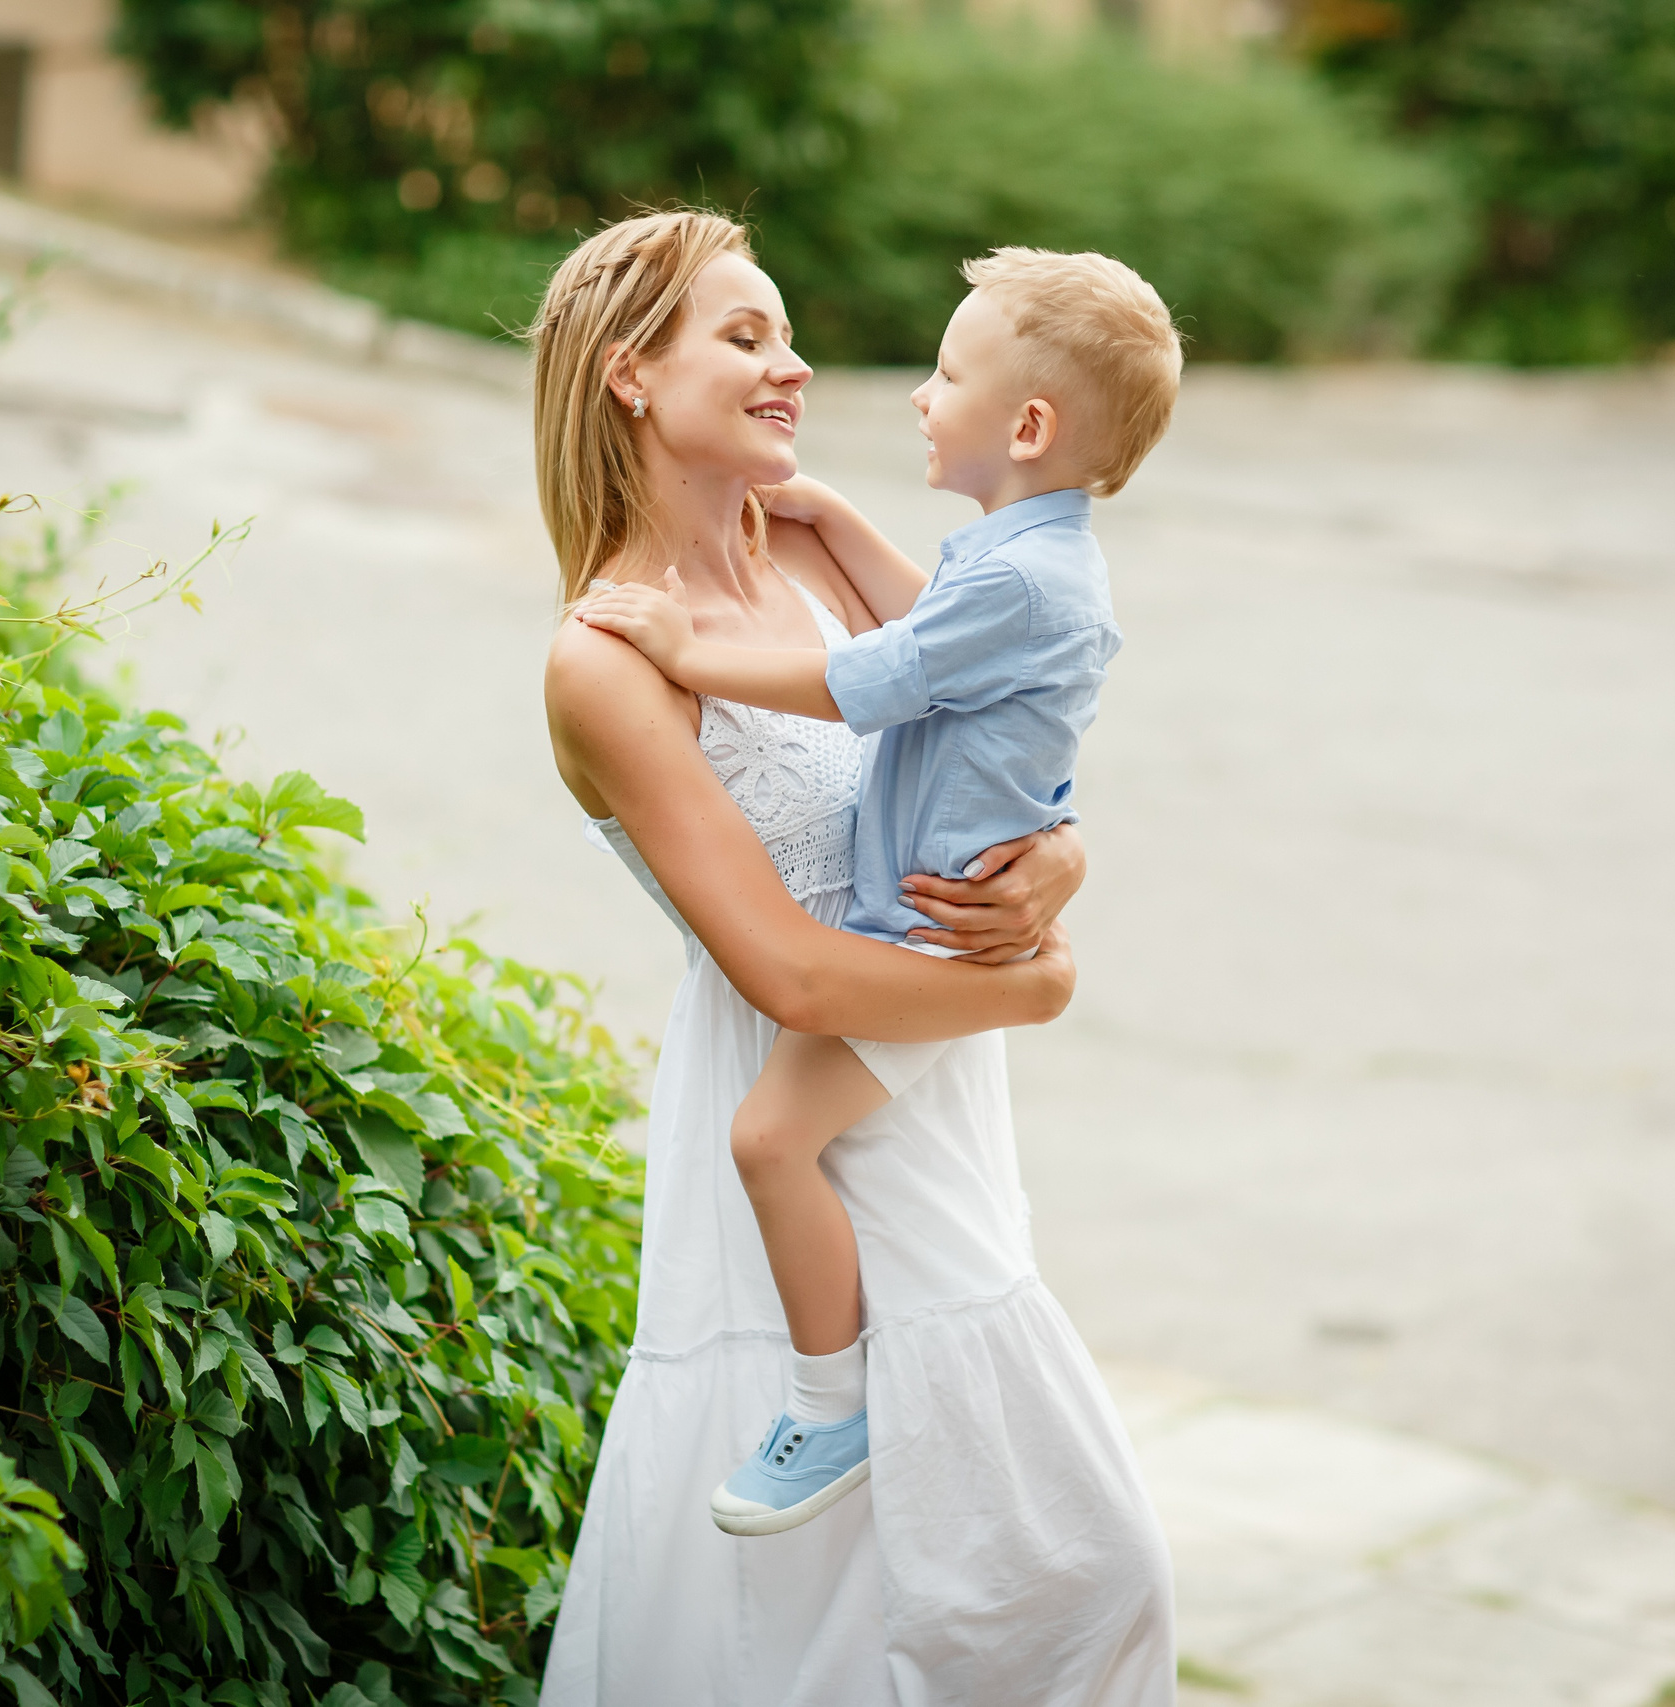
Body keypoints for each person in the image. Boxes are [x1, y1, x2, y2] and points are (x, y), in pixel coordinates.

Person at [535, 209, 1173, 1706]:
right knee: (863, 1615)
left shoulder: (815, 570)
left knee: (1043, 1587)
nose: (798, 368)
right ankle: (829, 1403)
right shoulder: (606, 658)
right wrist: (1036, 979)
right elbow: (796, 977)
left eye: (786, 333)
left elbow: (1001, 751)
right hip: (811, 1110)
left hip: (921, 1101)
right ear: (630, 376)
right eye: (745, 337)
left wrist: (1059, 861)